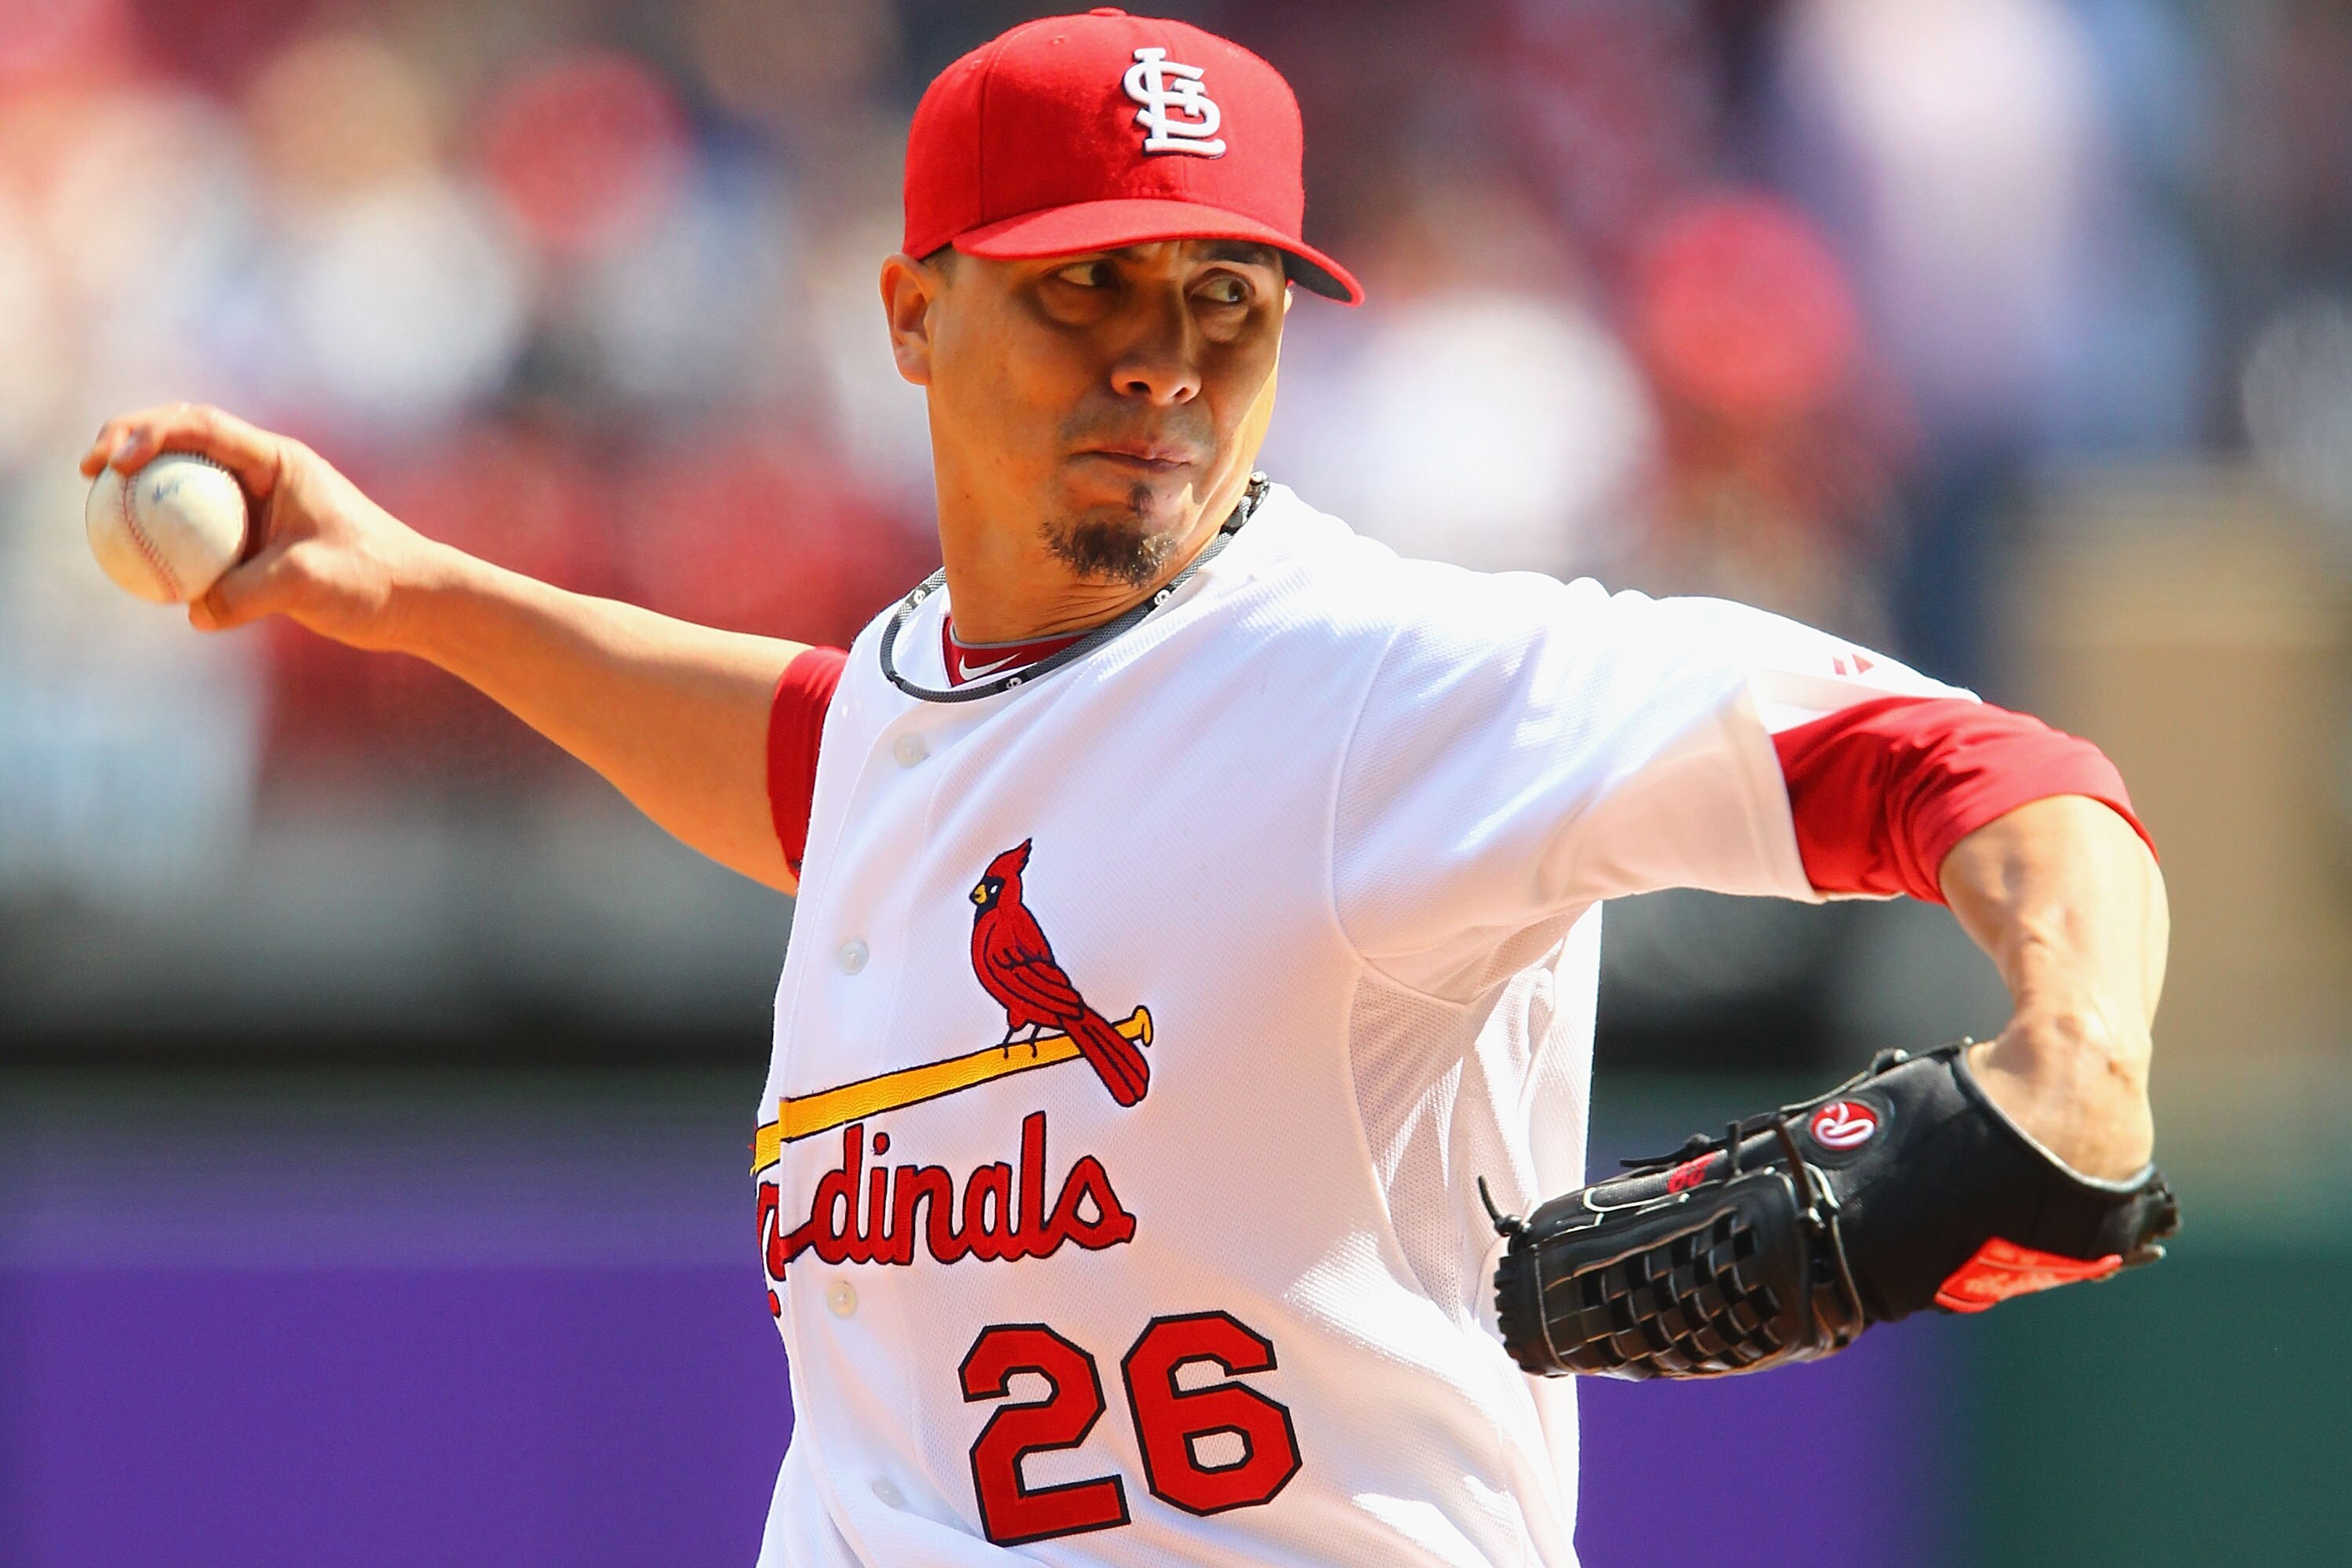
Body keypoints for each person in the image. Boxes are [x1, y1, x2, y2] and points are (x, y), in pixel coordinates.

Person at [81, 11, 2166, 1566]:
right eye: (1082, 286)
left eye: (1220, 300)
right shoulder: (926, 708)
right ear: (912, 314)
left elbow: (1993, 772)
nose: (1157, 356)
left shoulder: (1383, 690)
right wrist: (422, 590)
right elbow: (844, 764)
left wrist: (2075, 1055)